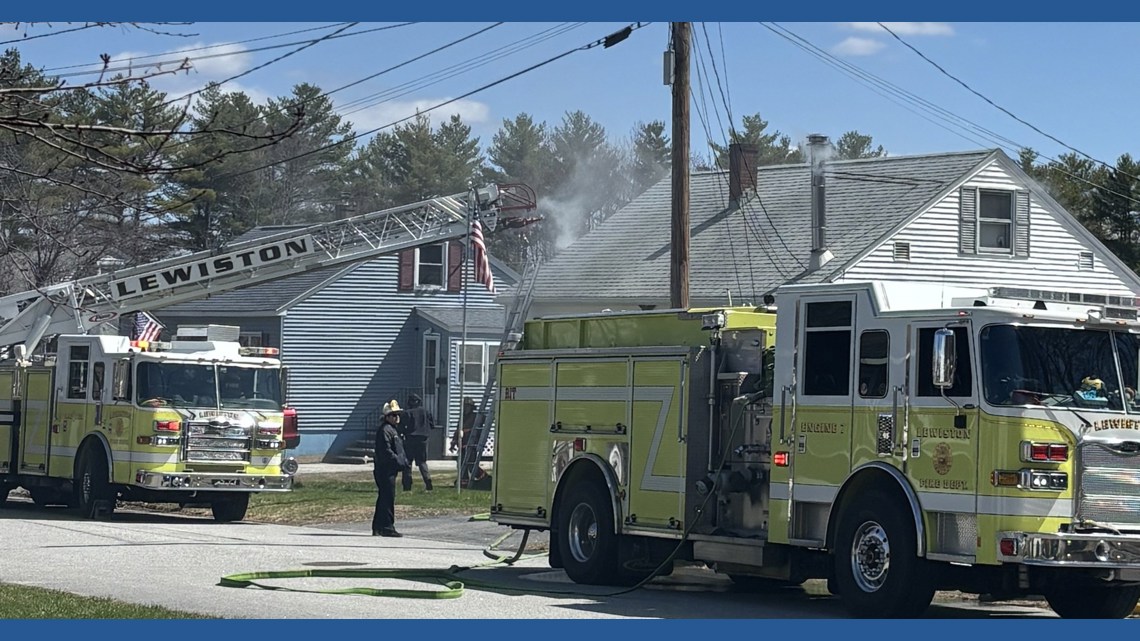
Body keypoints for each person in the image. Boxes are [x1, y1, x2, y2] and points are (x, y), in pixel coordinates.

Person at [372, 400, 409, 537]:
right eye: (393, 415)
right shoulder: (385, 430)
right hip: (385, 469)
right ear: (387, 417)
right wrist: (399, 461)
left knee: (384, 498)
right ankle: (387, 526)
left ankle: (378, 526)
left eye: (397, 415)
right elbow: (386, 451)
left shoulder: (393, 430)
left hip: (390, 469)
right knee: (387, 498)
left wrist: (403, 461)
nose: (396, 417)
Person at [398, 393, 435, 491]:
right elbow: (432, 425)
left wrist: (401, 434)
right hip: (423, 440)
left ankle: (407, 486)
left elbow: (401, 427)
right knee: (422, 462)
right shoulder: (426, 412)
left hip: (410, 439)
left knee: (408, 463)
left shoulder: (407, 413)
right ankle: (428, 483)